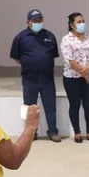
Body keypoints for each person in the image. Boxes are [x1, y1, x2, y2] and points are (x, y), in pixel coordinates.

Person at [10, 9, 60, 142]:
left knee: (50, 106)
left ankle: (53, 131)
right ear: (28, 22)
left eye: (39, 20)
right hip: (29, 79)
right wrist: (29, 63)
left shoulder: (50, 36)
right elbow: (16, 56)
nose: (38, 22)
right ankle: (30, 132)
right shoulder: (20, 37)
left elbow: (53, 54)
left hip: (47, 79)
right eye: (35, 20)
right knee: (27, 107)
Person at [60, 12, 89, 143]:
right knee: (75, 105)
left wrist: (87, 72)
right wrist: (85, 74)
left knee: (88, 105)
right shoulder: (66, 39)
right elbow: (69, 60)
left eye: (83, 21)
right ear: (72, 25)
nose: (82, 24)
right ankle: (77, 133)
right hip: (72, 78)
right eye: (79, 22)